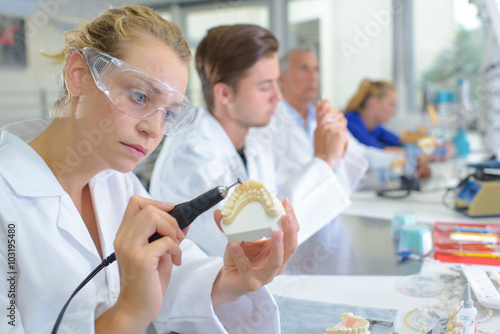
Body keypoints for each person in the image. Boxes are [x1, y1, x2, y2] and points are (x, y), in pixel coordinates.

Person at [0, 6, 300, 333]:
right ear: (79, 75)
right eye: (140, 95)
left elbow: (169, 276)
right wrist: (127, 313)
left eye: (169, 114)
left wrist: (228, 281)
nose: (154, 130)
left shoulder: (118, 182)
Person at [150, 25, 364, 256]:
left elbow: (298, 192)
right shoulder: (190, 157)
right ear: (224, 94)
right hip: (205, 290)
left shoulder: (254, 144)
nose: (278, 96)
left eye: (276, 83)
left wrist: (334, 147)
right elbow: (252, 245)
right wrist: (323, 160)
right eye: (265, 86)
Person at [252, 46, 402, 172]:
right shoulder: (268, 122)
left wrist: (406, 159)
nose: (313, 77)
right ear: (282, 79)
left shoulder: (325, 116)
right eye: (304, 69)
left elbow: (359, 153)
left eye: (316, 70)